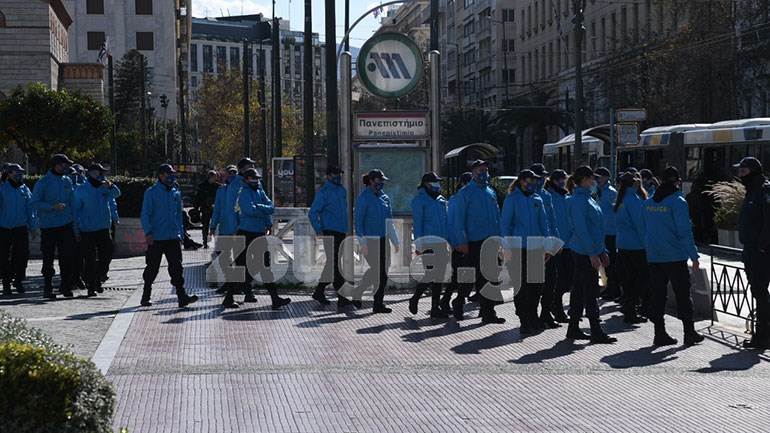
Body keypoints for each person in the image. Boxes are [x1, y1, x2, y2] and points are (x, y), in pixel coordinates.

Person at [642, 166, 703, 346]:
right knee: (683, 295)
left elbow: (643, 230)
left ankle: (659, 333)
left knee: (658, 295)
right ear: (677, 181)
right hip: (675, 256)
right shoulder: (678, 202)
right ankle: (689, 333)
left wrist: (650, 249)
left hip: (655, 257)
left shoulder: (648, 203)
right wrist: (694, 256)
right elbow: (685, 232)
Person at [450, 160, 505, 324]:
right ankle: (459, 301)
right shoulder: (465, 193)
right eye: (481, 170)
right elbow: (458, 220)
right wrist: (461, 241)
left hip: (491, 241)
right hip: (474, 241)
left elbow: (497, 216)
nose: (485, 173)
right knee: (470, 278)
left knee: (490, 277)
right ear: (473, 173)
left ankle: (488, 312)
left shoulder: (490, 192)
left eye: (486, 170)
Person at [226, 168, 290, 309]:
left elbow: (271, 208)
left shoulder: (260, 192)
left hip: (259, 233)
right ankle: (228, 298)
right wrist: (263, 209)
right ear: (246, 179)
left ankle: (275, 298)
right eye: (253, 178)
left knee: (265, 266)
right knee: (240, 266)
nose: (256, 180)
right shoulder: (244, 193)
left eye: (257, 178)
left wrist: (264, 216)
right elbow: (249, 210)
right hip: (246, 233)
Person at [566, 166, 616, 343]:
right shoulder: (579, 200)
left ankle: (573, 328)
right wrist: (592, 254)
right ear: (585, 180)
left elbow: (597, 229)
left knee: (579, 290)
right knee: (590, 291)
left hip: (588, 250)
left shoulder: (588, 198)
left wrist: (602, 250)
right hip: (583, 252)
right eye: (592, 179)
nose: (595, 182)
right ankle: (595, 329)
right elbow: (581, 229)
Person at [139, 164, 198, 308]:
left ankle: (181, 296)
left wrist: (181, 233)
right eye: (167, 174)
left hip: (173, 237)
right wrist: (148, 232)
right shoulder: (151, 192)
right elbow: (145, 214)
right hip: (156, 237)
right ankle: (146, 295)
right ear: (160, 175)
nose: (171, 176)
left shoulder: (175, 193)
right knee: (152, 267)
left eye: (172, 174)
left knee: (177, 268)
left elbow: (179, 216)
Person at [501, 169, 552, 333]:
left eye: (535, 180)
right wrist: (506, 247)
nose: (533, 183)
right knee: (521, 286)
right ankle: (524, 319)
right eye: (530, 180)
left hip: (536, 247)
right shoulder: (512, 199)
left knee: (537, 285)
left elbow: (544, 224)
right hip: (518, 248)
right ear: (522, 181)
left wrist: (548, 245)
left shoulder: (537, 199)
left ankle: (533, 315)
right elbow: (505, 225)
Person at [734, 157, 770, 349]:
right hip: (750, 249)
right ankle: (762, 333)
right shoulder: (752, 190)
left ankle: (763, 336)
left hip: (760, 252)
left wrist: (762, 246)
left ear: (753, 171)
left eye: (743, 171)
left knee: (760, 293)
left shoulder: (764, 190)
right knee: (758, 292)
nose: (740, 175)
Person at [30, 154, 77, 299]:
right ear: (56, 165)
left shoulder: (67, 181)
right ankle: (48, 287)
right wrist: (52, 207)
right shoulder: (43, 182)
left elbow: (73, 203)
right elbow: (34, 203)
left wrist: (75, 223)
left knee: (67, 257)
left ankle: (65, 286)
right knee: (48, 258)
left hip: (66, 224)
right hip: (48, 226)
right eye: (64, 165)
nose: (66, 168)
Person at [353, 169, 400, 314]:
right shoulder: (363, 199)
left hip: (383, 239)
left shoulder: (385, 198)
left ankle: (375, 301)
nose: (382, 183)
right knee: (377, 271)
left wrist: (395, 240)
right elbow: (358, 222)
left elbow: (389, 221)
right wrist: (362, 243)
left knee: (383, 272)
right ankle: (368, 297)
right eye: (379, 180)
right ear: (372, 181)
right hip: (370, 240)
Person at [73, 164, 121, 296]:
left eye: (101, 173)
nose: (100, 175)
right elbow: (76, 211)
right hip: (87, 229)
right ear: (90, 174)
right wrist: (76, 230)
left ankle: (99, 276)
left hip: (103, 228)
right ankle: (91, 285)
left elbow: (117, 195)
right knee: (90, 259)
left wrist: (110, 186)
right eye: (97, 173)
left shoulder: (104, 188)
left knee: (107, 253)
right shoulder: (81, 189)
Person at [308, 164, 351, 307]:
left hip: (340, 231)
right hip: (330, 231)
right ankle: (341, 296)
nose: (338, 177)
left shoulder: (342, 190)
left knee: (333, 264)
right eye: (334, 175)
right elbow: (313, 212)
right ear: (327, 176)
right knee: (335, 264)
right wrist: (318, 229)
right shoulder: (323, 192)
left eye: (339, 174)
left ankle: (319, 291)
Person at [410, 171, 450, 318]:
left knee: (439, 276)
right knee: (430, 274)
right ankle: (415, 299)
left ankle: (435, 308)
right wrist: (419, 245)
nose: (437, 185)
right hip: (427, 243)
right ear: (426, 184)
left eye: (438, 182)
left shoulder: (440, 199)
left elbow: (446, 222)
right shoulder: (420, 200)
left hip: (441, 242)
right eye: (434, 182)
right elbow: (418, 223)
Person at [613, 171, 649, 324]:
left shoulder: (620, 200)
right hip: (636, 246)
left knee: (627, 280)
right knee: (639, 280)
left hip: (622, 244)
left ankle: (628, 309)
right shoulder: (633, 200)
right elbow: (640, 225)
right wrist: (647, 244)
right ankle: (634, 311)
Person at [530, 163, 561, 328]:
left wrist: (556, 241)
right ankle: (532, 315)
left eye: (543, 177)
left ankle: (546, 313)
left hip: (549, 244)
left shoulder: (546, 196)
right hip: (534, 245)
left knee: (551, 281)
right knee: (535, 283)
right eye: (539, 177)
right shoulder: (526, 195)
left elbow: (552, 220)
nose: (542, 180)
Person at [0, 164, 35, 295]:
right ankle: (6, 283)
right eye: (16, 172)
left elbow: (30, 209)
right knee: (4, 257)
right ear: (9, 174)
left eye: (20, 172)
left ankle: (19, 281)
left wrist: (32, 227)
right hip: (4, 227)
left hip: (20, 227)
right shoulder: (2, 188)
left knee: (22, 256)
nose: (19, 175)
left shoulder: (24, 189)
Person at [442, 172, 473, 314]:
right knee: (459, 275)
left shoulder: (472, 199)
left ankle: (451, 299)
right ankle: (451, 300)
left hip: (470, 243)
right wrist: (455, 243)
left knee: (462, 275)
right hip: (460, 244)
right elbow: (453, 223)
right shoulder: (456, 200)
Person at [545, 169, 573, 323]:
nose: (562, 182)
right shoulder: (549, 197)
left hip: (568, 243)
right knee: (559, 279)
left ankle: (555, 304)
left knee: (569, 279)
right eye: (558, 180)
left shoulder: (566, 197)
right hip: (555, 244)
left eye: (563, 179)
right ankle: (556, 307)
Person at [210, 165, 238, 294]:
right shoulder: (221, 191)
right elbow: (217, 210)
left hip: (237, 229)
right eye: (230, 172)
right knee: (223, 257)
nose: (232, 175)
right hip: (224, 228)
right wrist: (213, 226)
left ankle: (237, 286)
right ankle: (229, 282)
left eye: (234, 172)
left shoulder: (240, 189)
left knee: (238, 258)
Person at [595, 167, 621, 301]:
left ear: (606, 178)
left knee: (611, 262)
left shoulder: (611, 193)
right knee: (605, 263)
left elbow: (614, 212)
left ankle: (614, 288)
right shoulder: (598, 192)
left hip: (611, 232)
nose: (597, 179)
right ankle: (609, 287)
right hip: (602, 232)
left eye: (599, 177)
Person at [196, 170, 220, 249]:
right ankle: (205, 242)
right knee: (205, 226)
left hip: (215, 209)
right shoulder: (202, 186)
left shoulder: (217, 186)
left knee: (216, 226)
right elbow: (198, 197)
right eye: (214, 177)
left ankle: (217, 242)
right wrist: (196, 208)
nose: (215, 179)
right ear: (210, 177)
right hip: (205, 209)